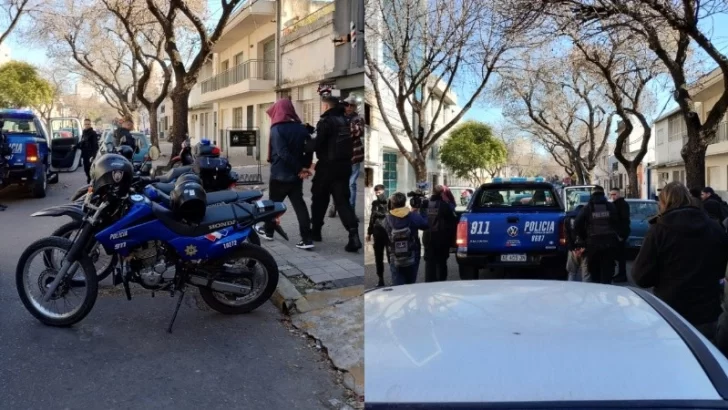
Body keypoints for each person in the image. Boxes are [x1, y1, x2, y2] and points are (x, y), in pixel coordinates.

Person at [633, 182, 728, 341]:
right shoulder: (714, 227)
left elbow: (641, 276)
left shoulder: (659, 230)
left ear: (663, 202)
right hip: (707, 314)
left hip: (670, 314)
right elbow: (721, 267)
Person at [310, 95, 361, 252]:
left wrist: (308, 139)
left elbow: (316, 144)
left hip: (326, 167)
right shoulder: (346, 121)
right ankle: (354, 235)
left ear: (326, 106)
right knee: (343, 202)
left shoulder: (326, 122)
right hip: (344, 166)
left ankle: (316, 231)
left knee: (319, 199)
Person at [262, 99, 314, 249]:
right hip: (296, 176)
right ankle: (307, 240)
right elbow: (309, 149)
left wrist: (300, 169)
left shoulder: (277, 129)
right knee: (300, 206)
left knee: (272, 206)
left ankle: (269, 232)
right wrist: (303, 168)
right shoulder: (301, 128)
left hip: (280, 175)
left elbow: (282, 152)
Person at [574, 185, 620, 284]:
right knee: (607, 273)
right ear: (603, 194)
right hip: (609, 244)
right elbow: (616, 223)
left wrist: (584, 238)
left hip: (593, 244)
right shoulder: (610, 206)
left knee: (594, 274)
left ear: (592, 195)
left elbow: (577, 224)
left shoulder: (587, 208)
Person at [328, 95, 364, 219]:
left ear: (354, 107)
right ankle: (335, 205)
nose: (349, 107)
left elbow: (359, 132)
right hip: (338, 156)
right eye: (347, 104)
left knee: (351, 184)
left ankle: (351, 210)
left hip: (353, 156)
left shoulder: (358, 118)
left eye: (352, 105)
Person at [382, 192, 429, 285]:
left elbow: (385, 233)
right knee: (411, 282)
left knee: (397, 282)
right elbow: (425, 225)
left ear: (392, 203)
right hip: (412, 252)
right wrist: (423, 211)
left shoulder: (387, 218)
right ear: (405, 202)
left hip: (394, 254)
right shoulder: (413, 216)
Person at [423, 185, 458, 282]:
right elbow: (452, 222)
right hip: (442, 237)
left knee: (429, 262)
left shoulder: (425, 204)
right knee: (441, 262)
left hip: (428, 236)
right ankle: (441, 283)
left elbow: (421, 218)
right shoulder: (445, 205)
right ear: (442, 193)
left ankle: (429, 283)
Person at [367, 184, 389, 287]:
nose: (377, 194)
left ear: (384, 191)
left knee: (390, 256)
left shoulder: (389, 202)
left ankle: (395, 276)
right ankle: (380, 278)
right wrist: (369, 232)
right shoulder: (375, 203)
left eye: (379, 192)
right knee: (378, 257)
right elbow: (372, 218)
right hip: (377, 232)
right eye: (376, 192)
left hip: (387, 232)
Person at [609, 188, 630, 283]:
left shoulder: (622, 204)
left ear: (619, 194)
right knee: (617, 256)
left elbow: (624, 220)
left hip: (620, 234)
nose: (612, 196)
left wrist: (621, 235)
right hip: (617, 233)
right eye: (611, 195)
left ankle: (622, 275)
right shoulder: (615, 204)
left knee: (621, 257)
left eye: (614, 194)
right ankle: (620, 274)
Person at [565, 204, 589, 282]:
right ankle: (586, 293)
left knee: (572, 273)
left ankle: (569, 291)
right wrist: (584, 248)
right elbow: (590, 235)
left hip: (573, 251)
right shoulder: (587, 219)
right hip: (585, 250)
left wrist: (573, 248)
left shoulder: (568, 219)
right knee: (586, 274)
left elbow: (567, 235)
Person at [78, 119, 99, 184]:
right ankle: (89, 181)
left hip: (91, 154)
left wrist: (93, 155)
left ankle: (91, 182)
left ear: (90, 124)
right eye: (85, 124)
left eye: (88, 124)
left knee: (91, 170)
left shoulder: (93, 133)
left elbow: (95, 145)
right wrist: (76, 146)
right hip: (85, 154)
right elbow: (82, 142)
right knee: (86, 169)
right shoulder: (84, 132)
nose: (87, 125)